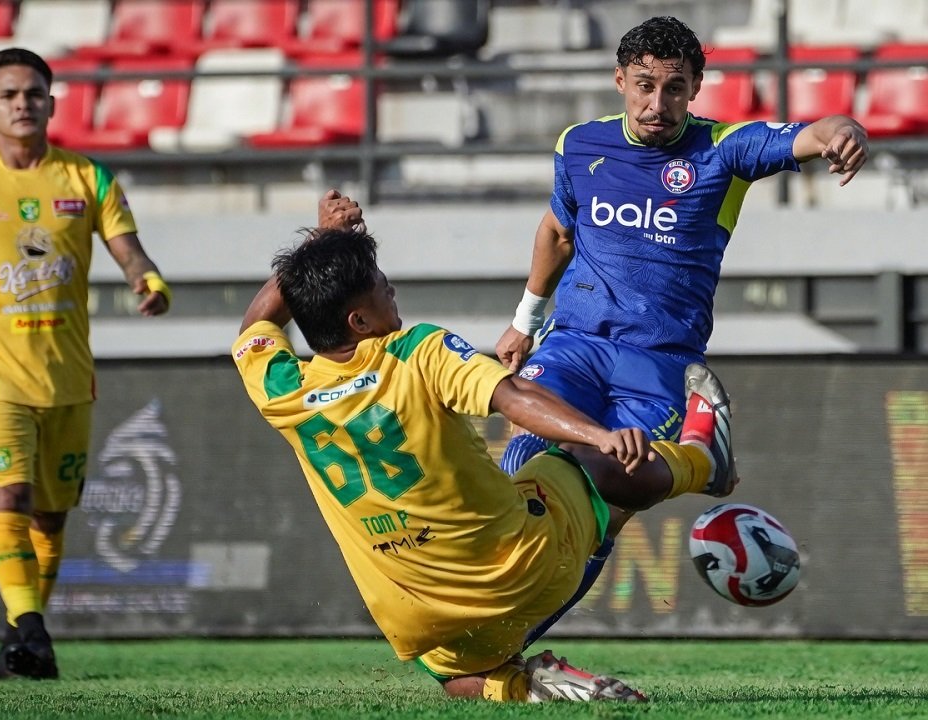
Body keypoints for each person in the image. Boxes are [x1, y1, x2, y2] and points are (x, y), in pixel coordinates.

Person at [232, 214, 738, 704]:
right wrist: (595, 434)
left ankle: (521, 686)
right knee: (580, 463)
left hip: (421, 612)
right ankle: (701, 460)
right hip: (523, 569)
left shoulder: (282, 388)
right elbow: (514, 395)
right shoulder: (414, 352)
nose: (391, 290)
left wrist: (323, 244)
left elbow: (256, 322)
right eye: (381, 285)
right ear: (358, 320)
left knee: (453, 673)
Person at [492, 15, 869, 616]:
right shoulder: (578, 144)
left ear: (696, 87)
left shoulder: (723, 150)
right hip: (576, 343)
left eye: (674, 87)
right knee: (526, 461)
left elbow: (809, 132)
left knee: (604, 510)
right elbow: (559, 232)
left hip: (662, 364)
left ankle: (515, 646)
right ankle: (490, 633)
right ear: (620, 80)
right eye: (644, 85)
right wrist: (524, 320)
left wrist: (841, 130)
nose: (657, 103)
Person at [0, 48, 174, 680]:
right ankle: (36, 631)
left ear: (51, 102)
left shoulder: (86, 177)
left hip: (68, 377)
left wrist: (145, 278)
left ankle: (21, 638)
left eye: (34, 93)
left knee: (50, 514)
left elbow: (127, 248)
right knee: (6, 494)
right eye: (9, 94)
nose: (22, 103)